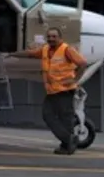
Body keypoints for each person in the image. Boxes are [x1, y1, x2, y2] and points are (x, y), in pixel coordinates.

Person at [8, 27, 87, 155]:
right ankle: (68, 141)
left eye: (54, 36)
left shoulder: (67, 49)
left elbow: (82, 63)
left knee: (64, 118)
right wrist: (12, 53)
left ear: (60, 38)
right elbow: (30, 53)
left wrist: (75, 80)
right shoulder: (45, 50)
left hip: (64, 90)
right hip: (52, 91)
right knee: (48, 116)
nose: (51, 39)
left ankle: (66, 145)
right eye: (49, 36)